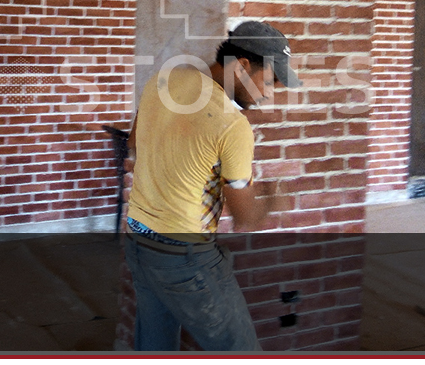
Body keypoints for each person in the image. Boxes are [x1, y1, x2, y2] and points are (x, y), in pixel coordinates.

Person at [124, 20, 301, 351]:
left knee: (154, 347)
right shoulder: (232, 126)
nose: (268, 93)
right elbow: (245, 218)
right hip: (185, 258)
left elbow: (134, 144)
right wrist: (271, 200)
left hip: (138, 241)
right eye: (268, 81)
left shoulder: (166, 78)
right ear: (242, 66)